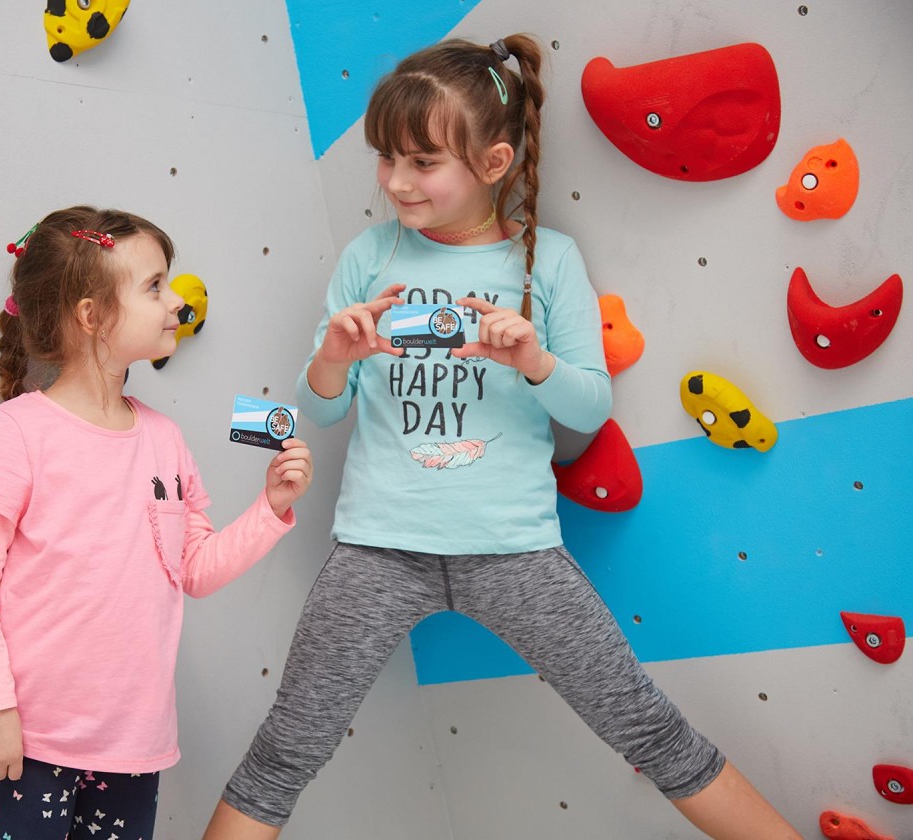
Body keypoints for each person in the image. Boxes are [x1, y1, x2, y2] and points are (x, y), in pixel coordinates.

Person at [202, 37, 801, 840]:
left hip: (515, 547)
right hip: (378, 546)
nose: (395, 182)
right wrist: (332, 359)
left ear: (493, 161)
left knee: (652, 732)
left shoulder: (546, 261)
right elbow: (324, 414)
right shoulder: (368, 255)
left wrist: (535, 359)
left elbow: (588, 410)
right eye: (386, 158)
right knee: (283, 753)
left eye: (421, 162)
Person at [0, 206, 313, 840]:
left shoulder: (165, 439)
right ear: (91, 316)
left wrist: (270, 508)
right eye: (154, 286)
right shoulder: (17, 432)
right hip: (33, 737)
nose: (174, 301)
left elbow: (193, 571)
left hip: (135, 744)